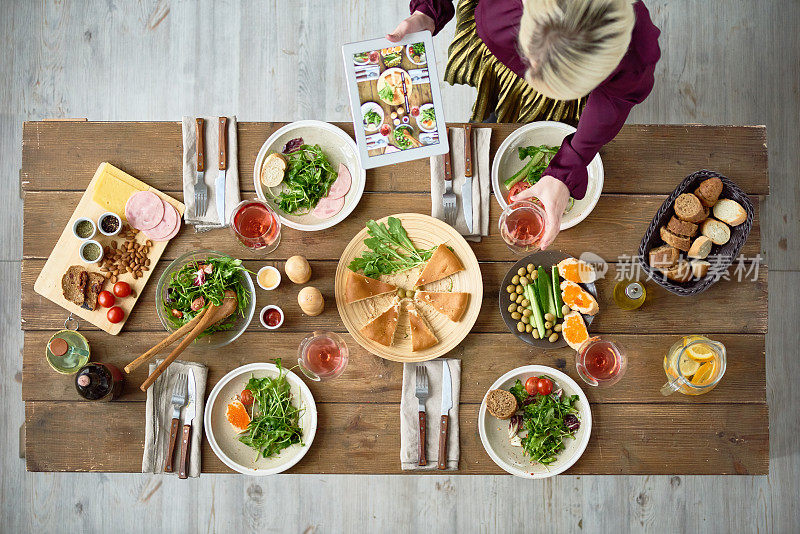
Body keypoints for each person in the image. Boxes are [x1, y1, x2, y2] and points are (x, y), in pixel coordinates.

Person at [388, 0, 661, 249]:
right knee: (495, 110)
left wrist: (567, 168)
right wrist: (427, 12)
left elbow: (616, 97)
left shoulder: (635, 47)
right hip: (498, 45)